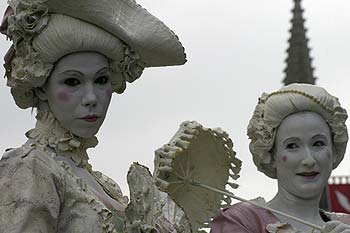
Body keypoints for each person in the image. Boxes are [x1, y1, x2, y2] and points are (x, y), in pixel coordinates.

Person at [0, 0, 190, 232]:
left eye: (101, 80)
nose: (91, 98)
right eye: (72, 82)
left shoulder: (102, 184)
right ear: (41, 87)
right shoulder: (31, 168)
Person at [211, 83, 350, 233]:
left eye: (318, 143)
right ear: (270, 155)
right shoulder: (241, 221)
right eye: (292, 146)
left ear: (334, 150)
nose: (309, 160)